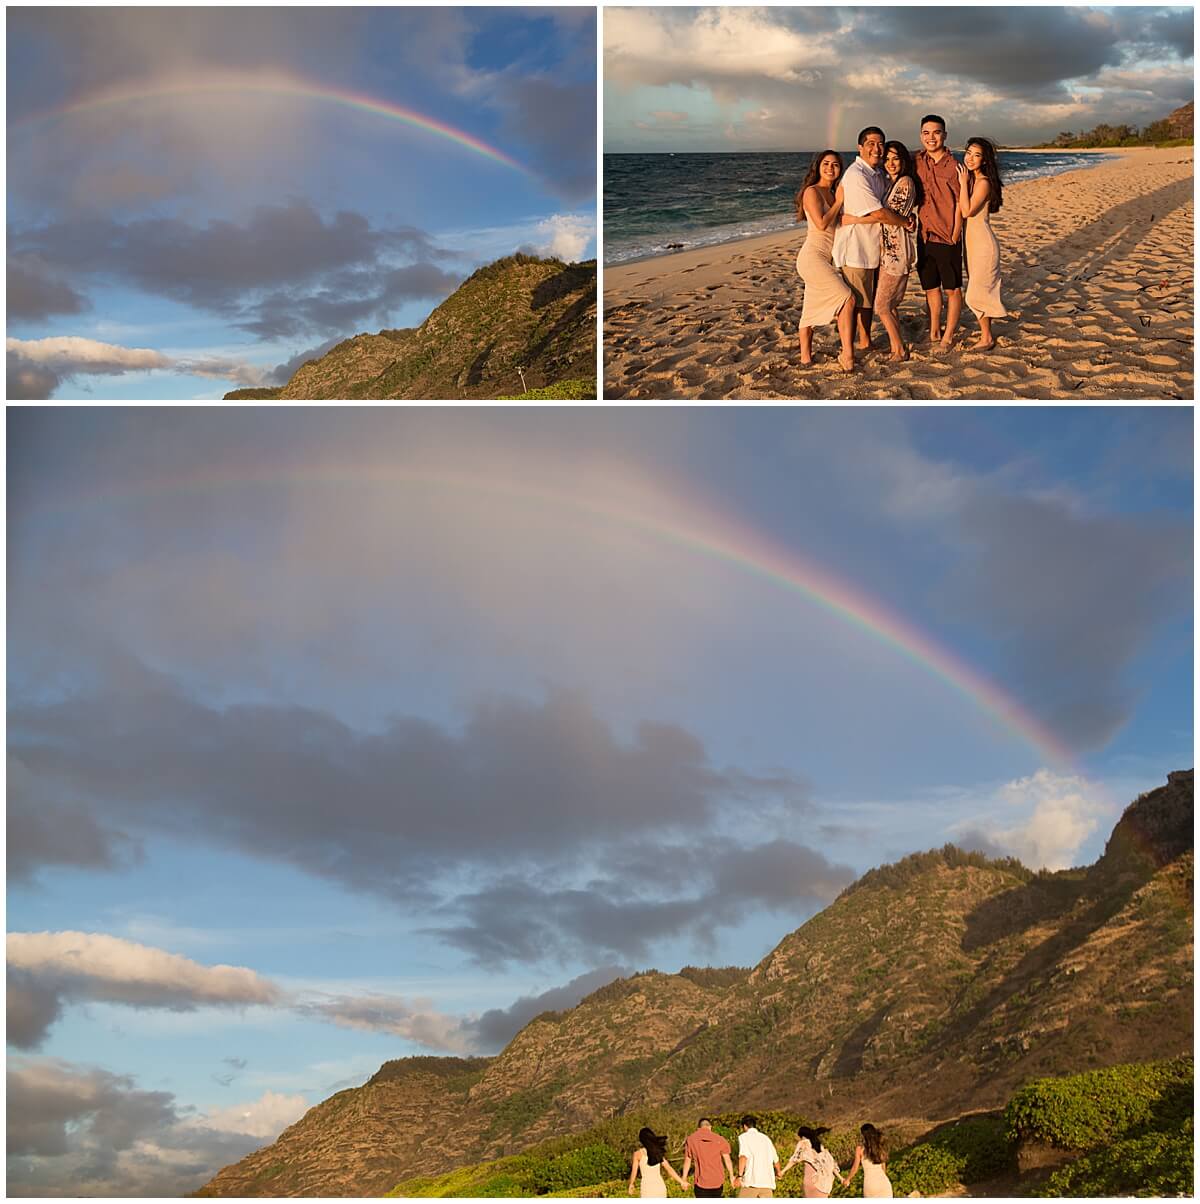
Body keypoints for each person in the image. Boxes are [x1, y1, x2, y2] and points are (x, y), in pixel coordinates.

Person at [831, 126, 916, 354]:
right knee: (859, 301)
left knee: (869, 301)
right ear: (860, 147)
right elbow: (878, 213)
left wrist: (906, 217)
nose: (876, 149)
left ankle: (867, 341)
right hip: (855, 249)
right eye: (871, 143)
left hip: (875, 249)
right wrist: (902, 221)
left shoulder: (878, 174)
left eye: (880, 144)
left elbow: (889, 208)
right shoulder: (857, 175)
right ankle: (858, 345)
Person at [794, 150, 856, 372]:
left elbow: (842, 221)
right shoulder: (812, 192)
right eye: (826, 164)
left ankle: (805, 359)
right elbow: (821, 224)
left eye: (836, 165)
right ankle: (848, 356)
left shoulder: (832, 193)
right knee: (847, 299)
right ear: (818, 167)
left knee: (809, 309)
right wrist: (839, 202)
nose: (831, 168)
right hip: (812, 258)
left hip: (826, 260)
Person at [914, 114, 963, 351]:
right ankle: (934, 330)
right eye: (926, 132)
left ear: (944, 135)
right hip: (924, 235)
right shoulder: (916, 162)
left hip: (947, 236)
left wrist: (955, 234)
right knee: (930, 287)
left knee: (951, 289)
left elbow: (961, 203)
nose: (931, 137)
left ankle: (949, 336)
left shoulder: (955, 167)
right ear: (921, 135)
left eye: (936, 132)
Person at [957, 136, 1006, 350]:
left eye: (977, 155)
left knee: (975, 294)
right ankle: (986, 336)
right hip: (973, 245)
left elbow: (967, 211)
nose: (971, 158)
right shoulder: (974, 180)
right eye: (969, 153)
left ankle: (986, 338)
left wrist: (960, 184)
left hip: (984, 246)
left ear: (984, 160)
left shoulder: (983, 182)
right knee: (981, 291)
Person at [781, 1126, 846, 1198]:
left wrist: (782, 1171)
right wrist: (841, 1178)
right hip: (825, 1184)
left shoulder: (804, 1143)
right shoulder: (820, 1147)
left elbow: (795, 1159)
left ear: (802, 1136)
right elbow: (832, 1164)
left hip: (811, 1180)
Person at [682, 1117, 735, 1197]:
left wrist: (684, 1179)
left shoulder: (691, 1140)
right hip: (717, 1182)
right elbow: (727, 1160)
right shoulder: (720, 1139)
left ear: (698, 1128)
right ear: (710, 1127)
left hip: (701, 1183)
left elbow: (687, 1160)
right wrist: (731, 1177)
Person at [629, 1127, 686, 1198]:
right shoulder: (657, 1153)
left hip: (647, 1188)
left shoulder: (637, 1154)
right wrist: (681, 1182)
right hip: (660, 1187)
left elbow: (634, 1172)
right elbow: (669, 1168)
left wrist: (631, 1184)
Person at [733, 1114, 781, 1198]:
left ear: (744, 1126)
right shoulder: (766, 1138)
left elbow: (743, 1157)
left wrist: (739, 1176)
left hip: (752, 1182)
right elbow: (776, 1159)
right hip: (767, 1184)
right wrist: (779, 1172)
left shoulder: (744, 1137)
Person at [843, 1123, 892, 1198]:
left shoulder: (860, 1149)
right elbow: (883, 1167)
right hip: (884, 1183)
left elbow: (855, 1168)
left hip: (870, 1185)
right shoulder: (880, 1147)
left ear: (864, 1136)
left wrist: (847, 1179)